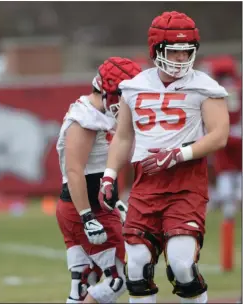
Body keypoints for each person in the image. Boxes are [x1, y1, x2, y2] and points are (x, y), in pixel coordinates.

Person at [98, 11, 229, 304]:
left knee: (182, 265)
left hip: (186, 182)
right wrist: (109, 175)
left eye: (186, 53)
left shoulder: (205, 86)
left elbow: (219, 135)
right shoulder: (133, 86)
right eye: (174, 52)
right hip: (146, 183)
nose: (181, 59)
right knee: (137, 268)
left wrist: (177, 155)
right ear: (156, 50)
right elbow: (123, 136)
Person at [56, 57, 141, 304]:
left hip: (95, 205)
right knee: (120, 279)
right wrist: (86, 216)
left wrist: (115, 201)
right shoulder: (85, 118)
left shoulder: (101, 112)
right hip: (85, 208)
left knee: (83, 282)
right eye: (123, 95)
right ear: (107, 90)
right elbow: (74, 170)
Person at [199, 55, 242, 271]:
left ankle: (228, 209)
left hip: (227, 134)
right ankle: (228, 208)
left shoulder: (218, 88)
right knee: (230, 180)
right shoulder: (236, 84)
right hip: (236, 135)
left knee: (226, 178)